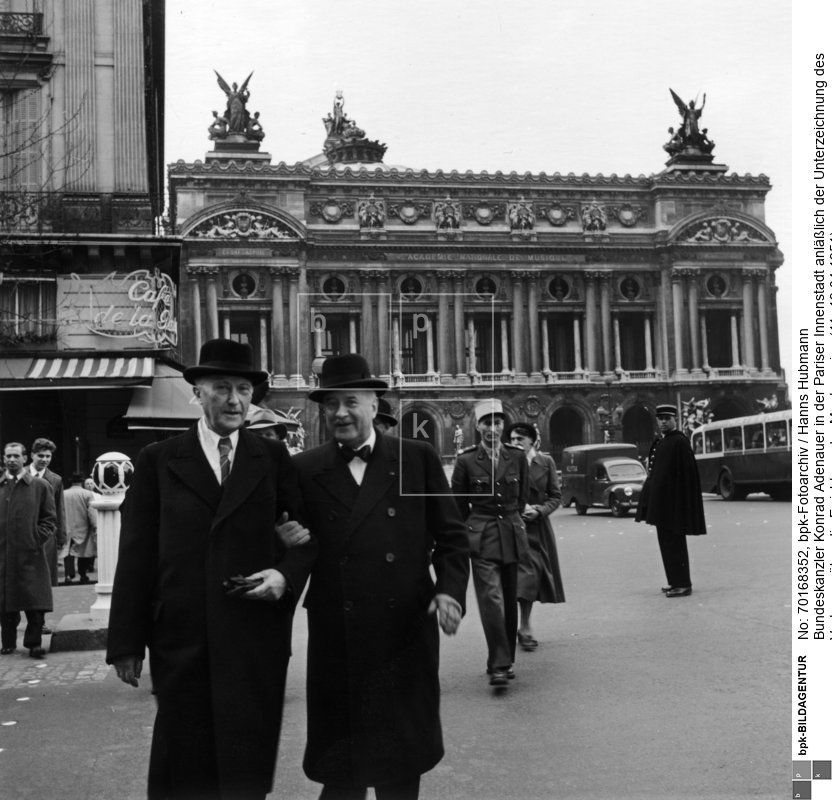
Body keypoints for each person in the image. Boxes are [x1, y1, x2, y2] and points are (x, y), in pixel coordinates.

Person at [106, 338, 316, 800]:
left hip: (253, 635)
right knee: (184, 764)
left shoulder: (274, 459)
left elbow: (303, 541)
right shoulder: (159, 460)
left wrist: (284, 575)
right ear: (196, 393)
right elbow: (136, 556)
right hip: (182, 637)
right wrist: (125, 642)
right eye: (222, 388)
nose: (235, 400)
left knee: (246, 763)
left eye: (244, 389)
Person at [293, 353, 469, 800]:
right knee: (342, 769)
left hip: (403, 630)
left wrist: (450, 592)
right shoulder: (305, 469)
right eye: (329, 405)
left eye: (350, 401)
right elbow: (295, 547)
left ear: (375, 404)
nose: (339, 413)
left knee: (400, 766)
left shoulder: (418, 458)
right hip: (338, 633)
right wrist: (284, 543)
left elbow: (451, 537)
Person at [451, 399, 529, 687]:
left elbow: (520, 499)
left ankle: (503, 658)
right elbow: (457, 504)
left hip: (511, 531)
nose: (493, 429)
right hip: (481, 535)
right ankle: (500, 663)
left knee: (508, 599)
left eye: (498, 423)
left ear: (503, 426)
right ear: (478, 426)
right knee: (492, 600)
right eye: (487, 423)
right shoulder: (467, 460)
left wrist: (514, 519)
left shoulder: (517, 457)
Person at [635, 404, 707, 598]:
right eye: (660, 418)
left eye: (667, 418)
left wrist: (680, 504)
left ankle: (683, 583)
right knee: (665, 543)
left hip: (674, 504)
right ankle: (674, 581)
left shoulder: (680, 442)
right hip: (661, 504)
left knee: (675, 544)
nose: (663, 421)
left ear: (675, 419)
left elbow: (686, 476)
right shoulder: (661, 441)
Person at [506, 422, 565, 651]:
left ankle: (524, 625)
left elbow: (556, 496)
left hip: (536, 527)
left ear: (531, 440)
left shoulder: (546, 462)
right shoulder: (505, 461)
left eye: (520, 439)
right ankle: (519, 625)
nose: (515, 443)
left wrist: (539, 510)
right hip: (512, 525)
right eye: (512, 439)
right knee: (517, 578)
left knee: (530, 576)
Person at [0, 442, 56, 658]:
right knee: (5, 603)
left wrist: (35, 539)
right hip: (3, 555)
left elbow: (49, 519)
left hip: (30, 554)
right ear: (3, 459)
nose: (12, 460)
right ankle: (8, 642)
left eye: (16, 456)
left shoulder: (40, 486)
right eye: (8, 456)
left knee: (35, 602)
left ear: (25, 458)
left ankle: (33, 643)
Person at [29, 437, 66, 591]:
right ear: (32, 455)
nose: (44, 459)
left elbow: (60, 509)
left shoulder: (55, 480)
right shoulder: (19, 475)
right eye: (41, 455)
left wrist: (61, 537)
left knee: (46, 578)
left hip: (47, 534)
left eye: (48, 456)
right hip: (24, 531)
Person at [60, 473, 97, 585]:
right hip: (83, 527)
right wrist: (95, 526)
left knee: (68, 552)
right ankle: (83, 574)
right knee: (83, 552)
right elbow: (92, 512)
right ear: (82, 482)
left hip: (66, 526)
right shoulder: (87, 494)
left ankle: (68, 575)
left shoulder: (63, 494)